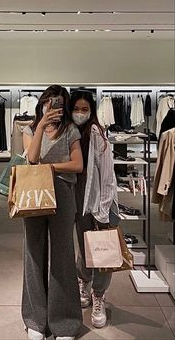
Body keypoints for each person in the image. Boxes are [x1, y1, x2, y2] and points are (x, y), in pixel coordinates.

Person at [22, 85, 83, 340]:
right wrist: (40, 125)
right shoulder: (29, 129)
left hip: (63, 195)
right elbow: (33, 158)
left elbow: (77, 165)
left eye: (57, 102)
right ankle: (35, 320)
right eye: (48, 101)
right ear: (42, 103)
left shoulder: (71, 129)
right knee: (34, 254)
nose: (52, 105)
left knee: (63, 255)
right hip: (34, 195)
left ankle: (64, 321)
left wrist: (50, 169)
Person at [70, 89, 119, 329]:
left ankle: (99, 296)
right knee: (85, 247)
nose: (80, 113)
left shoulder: (97, 134)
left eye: (85, 109)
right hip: (80, 203)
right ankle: (84, 283)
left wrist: (103, 210)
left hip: (101, 202)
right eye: (76, 109)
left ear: (91, 111)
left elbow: (108, 177)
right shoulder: (69, 133)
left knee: (104, 252)